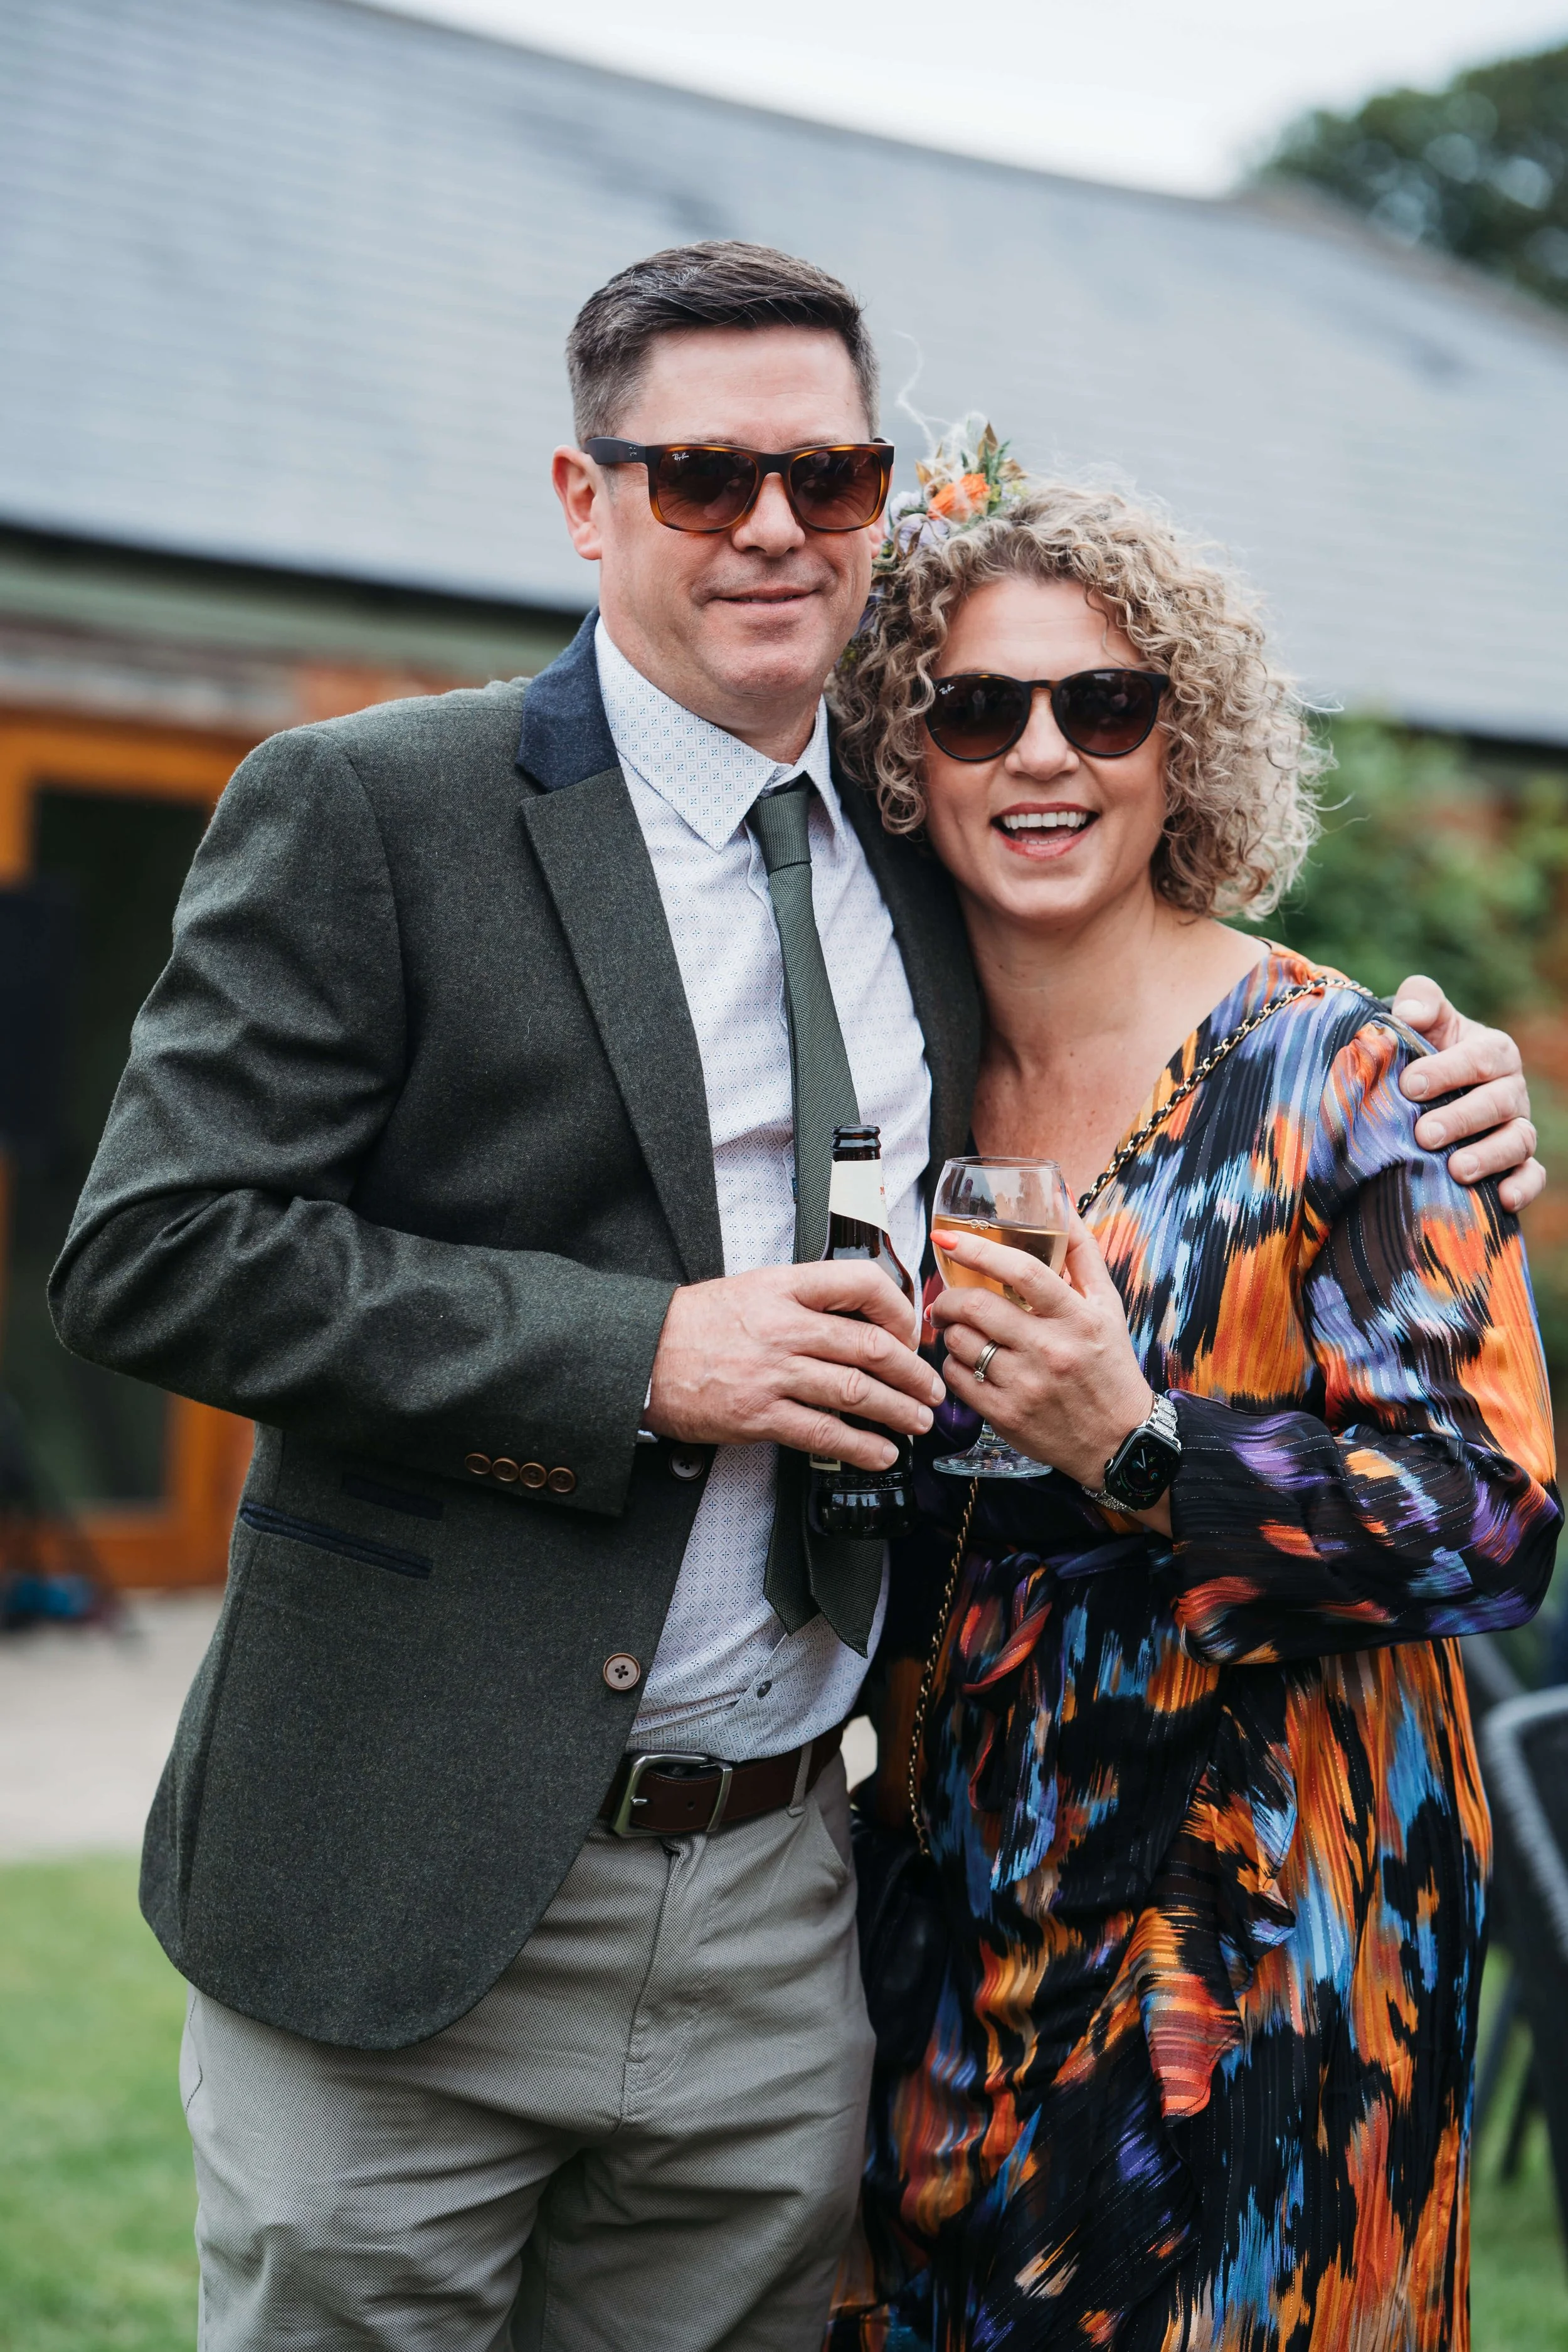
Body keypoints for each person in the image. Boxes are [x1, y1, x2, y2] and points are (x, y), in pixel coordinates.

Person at [47, 246, 1540, 2351]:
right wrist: (641, 1354)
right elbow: (154, 1247)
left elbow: (1156, 981)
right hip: (413, 1871)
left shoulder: (911, 862)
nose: (768, 523)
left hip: (792, 1900)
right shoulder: (376, 807)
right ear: (586, 499)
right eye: (700, 477)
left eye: (825, 475)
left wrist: (1439, 1080)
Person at [827, 445, 1560, 2349]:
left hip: (1260, 1941)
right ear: (906, 758)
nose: (1041, 752)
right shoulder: (893, 1089)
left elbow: (1489, 1517)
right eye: (975, 706)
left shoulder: (1350, 1072)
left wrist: (1138, 1444)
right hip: (954, 1918)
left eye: (1106, 701)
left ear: (1185, 743)